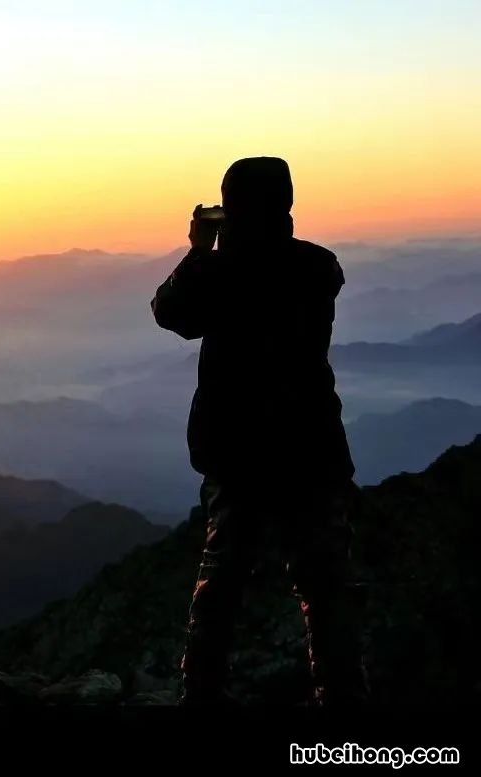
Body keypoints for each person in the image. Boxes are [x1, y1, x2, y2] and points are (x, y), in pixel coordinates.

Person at [151, 156, 368, 705]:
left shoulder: (221, 275)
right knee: (326, 593)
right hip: (311, 451)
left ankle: (202, 699)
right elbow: (303, 274)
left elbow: (171, 313)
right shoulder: (319, 268)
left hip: (237, 454)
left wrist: (201, 248)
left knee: (220, 588)